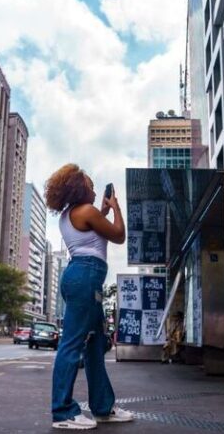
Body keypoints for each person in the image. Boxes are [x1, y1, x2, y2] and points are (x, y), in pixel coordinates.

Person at [45, 163, 134, 430]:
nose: (95, 192)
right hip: (85, 278)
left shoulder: (71, 215)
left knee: (95, 345)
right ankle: (62, 413)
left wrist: (104, 211)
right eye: (92, 188)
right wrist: (116, 206)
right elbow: (118, 235)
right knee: (71, 345)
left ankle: (103, 408)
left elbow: (96, 227)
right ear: (80, 189)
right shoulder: (86, 211)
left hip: (82, 277)